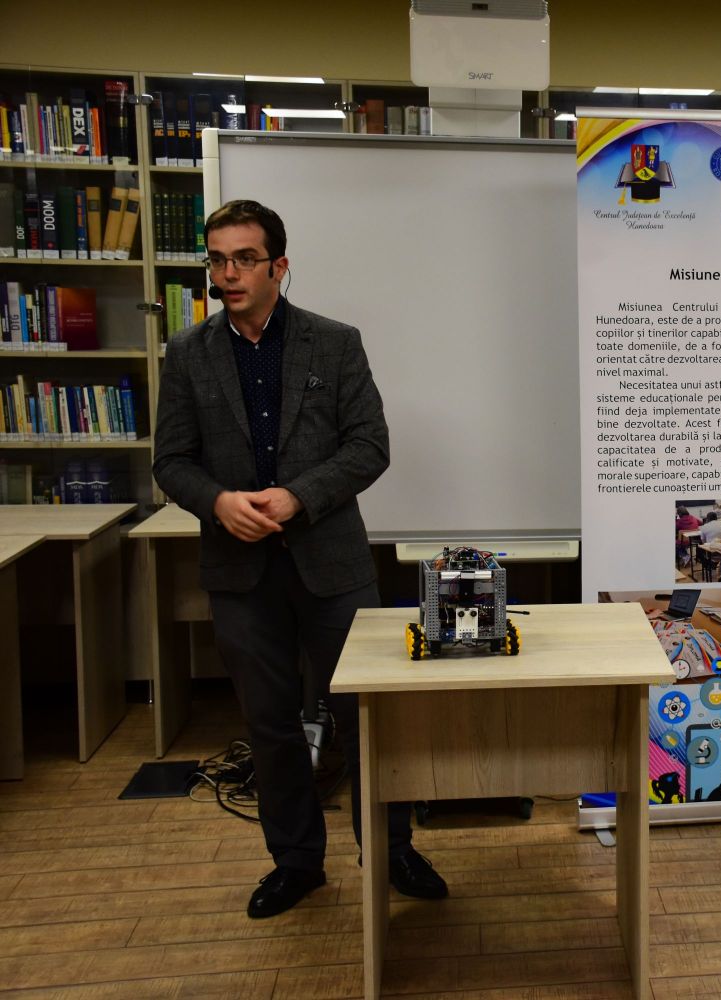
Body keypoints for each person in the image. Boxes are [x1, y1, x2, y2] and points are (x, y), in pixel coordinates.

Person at [152, 200, 447, 919]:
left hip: (330, 565)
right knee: (271, 724)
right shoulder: (187, 353)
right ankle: (295, 862)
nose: (228, 274)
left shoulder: (333, 343)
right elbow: (171, 461)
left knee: (368, 716)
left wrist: (297, 498)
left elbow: (369, 446)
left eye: (244, 259)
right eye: (217, 260)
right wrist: (218, 502)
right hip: (239, 571)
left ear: (279, 266)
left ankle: (391, 849)